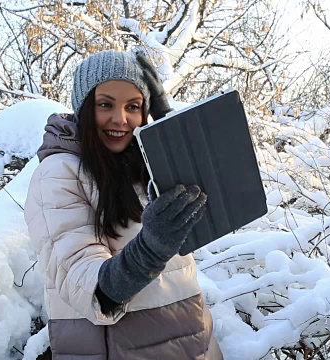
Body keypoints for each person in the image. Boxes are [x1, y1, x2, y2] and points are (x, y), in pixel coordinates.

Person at [24, 50, 223, 359]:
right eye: (105, 104)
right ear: (84, 108)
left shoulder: (147, 164)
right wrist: (151, 249)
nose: (120, 119)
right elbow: (89, 289)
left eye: (134, 106)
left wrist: (168, 123)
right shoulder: (59, 173)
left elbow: (219, 201)